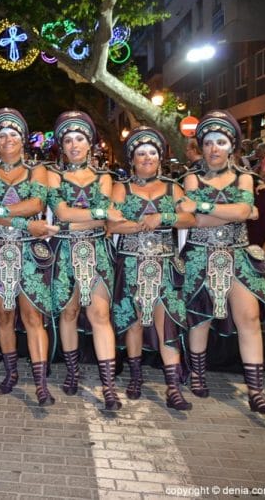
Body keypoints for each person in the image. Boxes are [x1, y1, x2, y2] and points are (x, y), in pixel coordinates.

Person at [177, 110, 265, 414]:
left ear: (232, 146)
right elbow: (195, 220)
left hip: (238, 257)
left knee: (248, 318)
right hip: (200, 256)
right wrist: (233, 211)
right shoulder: (192, 177)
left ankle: (255, 390)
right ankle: (197, 374)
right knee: (200, 317)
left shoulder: (244, 177)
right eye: (208, 142)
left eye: (220, 142)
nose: (214, 148)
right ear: (201, 146)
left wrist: (205, 206)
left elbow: (244, 211)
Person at [0, 108, 58, 405]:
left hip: (29, 254)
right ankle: (11, 372)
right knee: (4, 315)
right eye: (1, 135)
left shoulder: (38, 171)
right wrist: (26, 223)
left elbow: (36, 203)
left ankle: (40, 383)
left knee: (33, 316)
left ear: (23, 139)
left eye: (13, 134)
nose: (7, 139)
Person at [108, 127, 193, 410]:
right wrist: (143, 224)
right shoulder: (121, 188)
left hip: (164, 263)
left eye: (152, 153)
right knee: (133, 322)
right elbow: (111, 225)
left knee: (166, 322)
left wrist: (164, 217)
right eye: (141, 153)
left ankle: (173, 387)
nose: (147, 158)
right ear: (132, 159)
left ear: (160, 158)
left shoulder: (172, 187)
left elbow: (189, 219)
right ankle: (136, 377)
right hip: (130, 263)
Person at [47, 111, 125, 411]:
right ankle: (72, 371)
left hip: (96, 253)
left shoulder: (104, 177)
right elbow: (62, 214)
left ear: (90, 143)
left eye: (79, 139)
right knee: (69, 312)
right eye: (68, 140)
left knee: (99, 315)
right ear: (62, 146)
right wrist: (99, 214)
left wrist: (83, 219)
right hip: (64, 252)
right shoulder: (53, 175)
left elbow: (94, 220)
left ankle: (108, 386)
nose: (74, 145)